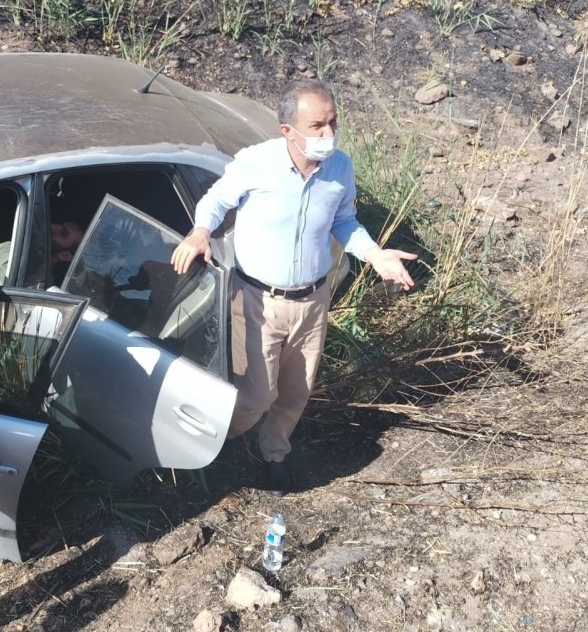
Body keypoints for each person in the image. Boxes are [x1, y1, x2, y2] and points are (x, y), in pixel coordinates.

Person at [171, 79, 417, 495]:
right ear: (288, 130)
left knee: (295, 392)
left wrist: (375, 255)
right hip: (256, 300)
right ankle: (207, 450)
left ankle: (275, 455)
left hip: (313, 300)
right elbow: (215, 200)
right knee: (255, 398)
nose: (329, 134)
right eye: (317, 125)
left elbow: (344, 221)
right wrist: (199, 233)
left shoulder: (340, 167)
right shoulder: (256, 163)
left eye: (333, 122)